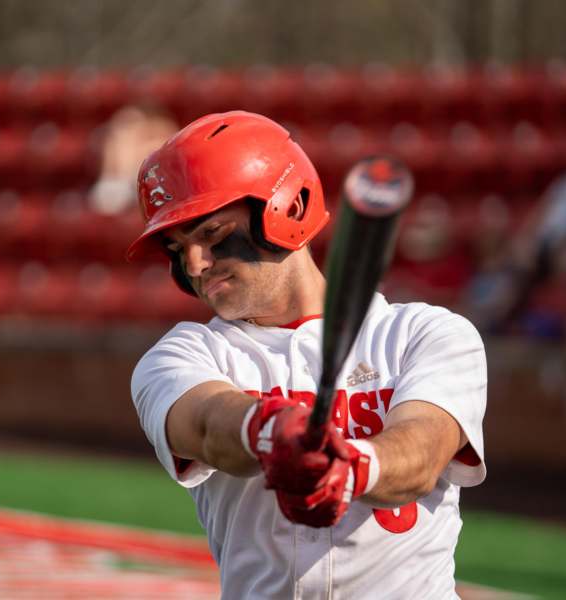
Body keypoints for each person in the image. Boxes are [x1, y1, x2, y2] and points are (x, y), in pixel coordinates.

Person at [128, 111, 487, 599]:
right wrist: (270, 430)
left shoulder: (425, 333)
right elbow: (208, 425)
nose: (194, 264)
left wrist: (352, 468)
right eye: (177, 248)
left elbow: (423, 451)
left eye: (212, 234)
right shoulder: (183, 353)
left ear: (286, 207)